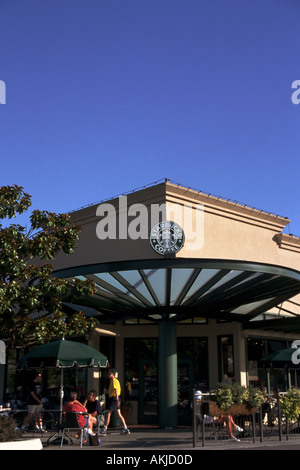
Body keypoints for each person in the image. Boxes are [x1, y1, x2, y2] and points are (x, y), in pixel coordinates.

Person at [100, 368, 130, 435]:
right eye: (108, 373)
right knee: (119, 414)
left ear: (113, 374)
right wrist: (107, 392)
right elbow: (113, 391)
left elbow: (116, 390)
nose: (108, 375)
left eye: (109, 374)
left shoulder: (114, 380)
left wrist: (116, 399)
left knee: (108, 413)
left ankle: (104, 429)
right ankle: (125, 428)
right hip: (115, 398)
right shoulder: (113, 381)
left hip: (114, 399)